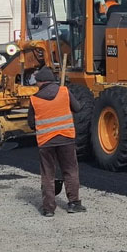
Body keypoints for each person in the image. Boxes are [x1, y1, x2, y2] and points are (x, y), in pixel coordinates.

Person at [27, 67, 86, 217]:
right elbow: (78, 108)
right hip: (66, 138)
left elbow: (31, 124)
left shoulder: (34, 99)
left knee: (48, 174)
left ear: (40, 82)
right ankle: (74, 203)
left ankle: (48, 209)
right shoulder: (64, 92)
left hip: (46, 141)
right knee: (70, 170)